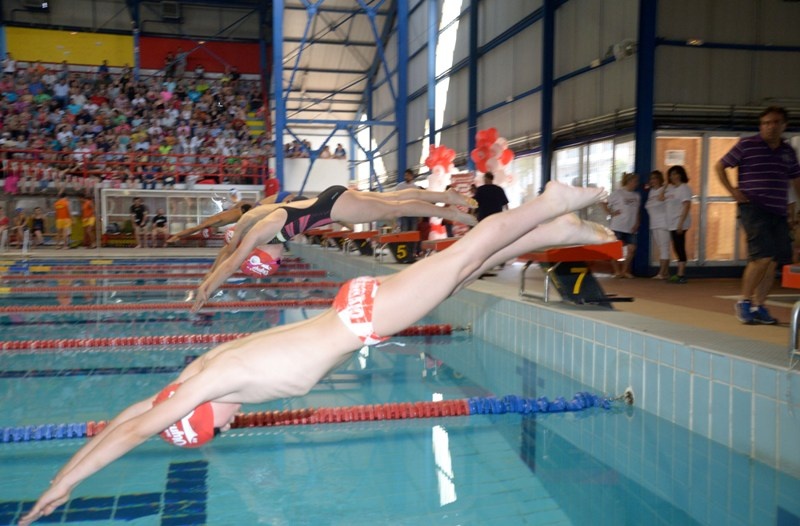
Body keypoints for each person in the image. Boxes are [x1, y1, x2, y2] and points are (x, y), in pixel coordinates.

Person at [19, 182, 611, 526]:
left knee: (458, 260)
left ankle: (548, 205)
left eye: (214, 431)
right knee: (457, 277)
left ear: (198, 419)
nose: (229, 426)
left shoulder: (212, 385)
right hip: (352, 311)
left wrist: (68, 486)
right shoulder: (201, 377)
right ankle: (550, 232)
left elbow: (135, 430)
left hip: (362, 318)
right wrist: (62, 477)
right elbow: (130, 418)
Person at [193, 185, 480, 309]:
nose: (280, 260)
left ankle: (452, 212)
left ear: (263, 253)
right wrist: (206, 283)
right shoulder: (256, 231)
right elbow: (228, 256)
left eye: (275, 263)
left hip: (337, 207)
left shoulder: (262, 230)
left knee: (396, 208)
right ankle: (445, 195)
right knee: (395, 198)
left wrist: (207, 289)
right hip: (333, 200)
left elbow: (231, 262)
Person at [715, 106, 800, 324]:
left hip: (778, 210)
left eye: (775, 122)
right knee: (761, 257)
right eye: (766, 123)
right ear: (761, 126)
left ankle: (759, 305)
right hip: (753, 207)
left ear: (784, 126)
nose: (770, 127)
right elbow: (720, 166)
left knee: (773, 261)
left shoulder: (788, 151)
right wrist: (732, 190)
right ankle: (744, 302)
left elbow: (796, 179)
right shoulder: (747, 145)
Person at [602, 172, 641, 278]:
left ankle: (624, 271)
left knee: (631, 249)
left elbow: (637, 210)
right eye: (635, 181)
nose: (636, 184)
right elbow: (603, 202)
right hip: (618, 226)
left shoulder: (636, 196)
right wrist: (611, 213)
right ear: (629, 182)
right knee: (614, 250)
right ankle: (617, 271)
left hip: (631, 227)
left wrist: (637, 222)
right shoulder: (618, 193)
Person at [663, 166, 692, 284]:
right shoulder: (670, 188)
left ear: (680, 175)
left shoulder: (684, 188)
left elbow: (686, 206)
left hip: (679, 222)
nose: (673, 177)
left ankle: (681, 274)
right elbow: (660, 198)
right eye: (671, 174)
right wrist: (665, 186)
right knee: (676, 246)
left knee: (679, 247)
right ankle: (679, 273)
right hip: (671, 222)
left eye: (675, 174)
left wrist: (680, 223)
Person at [644, 170, 670, 279]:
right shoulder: (651, 192)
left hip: (663, 223)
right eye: (651, 179)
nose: (652, 181)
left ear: (660, 179)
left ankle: (661, 273)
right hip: (654, 224)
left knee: (664, 248)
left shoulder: (664, 190)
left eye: (655, 178)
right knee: (661, 247)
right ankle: (665, 272)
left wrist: (664, 188)